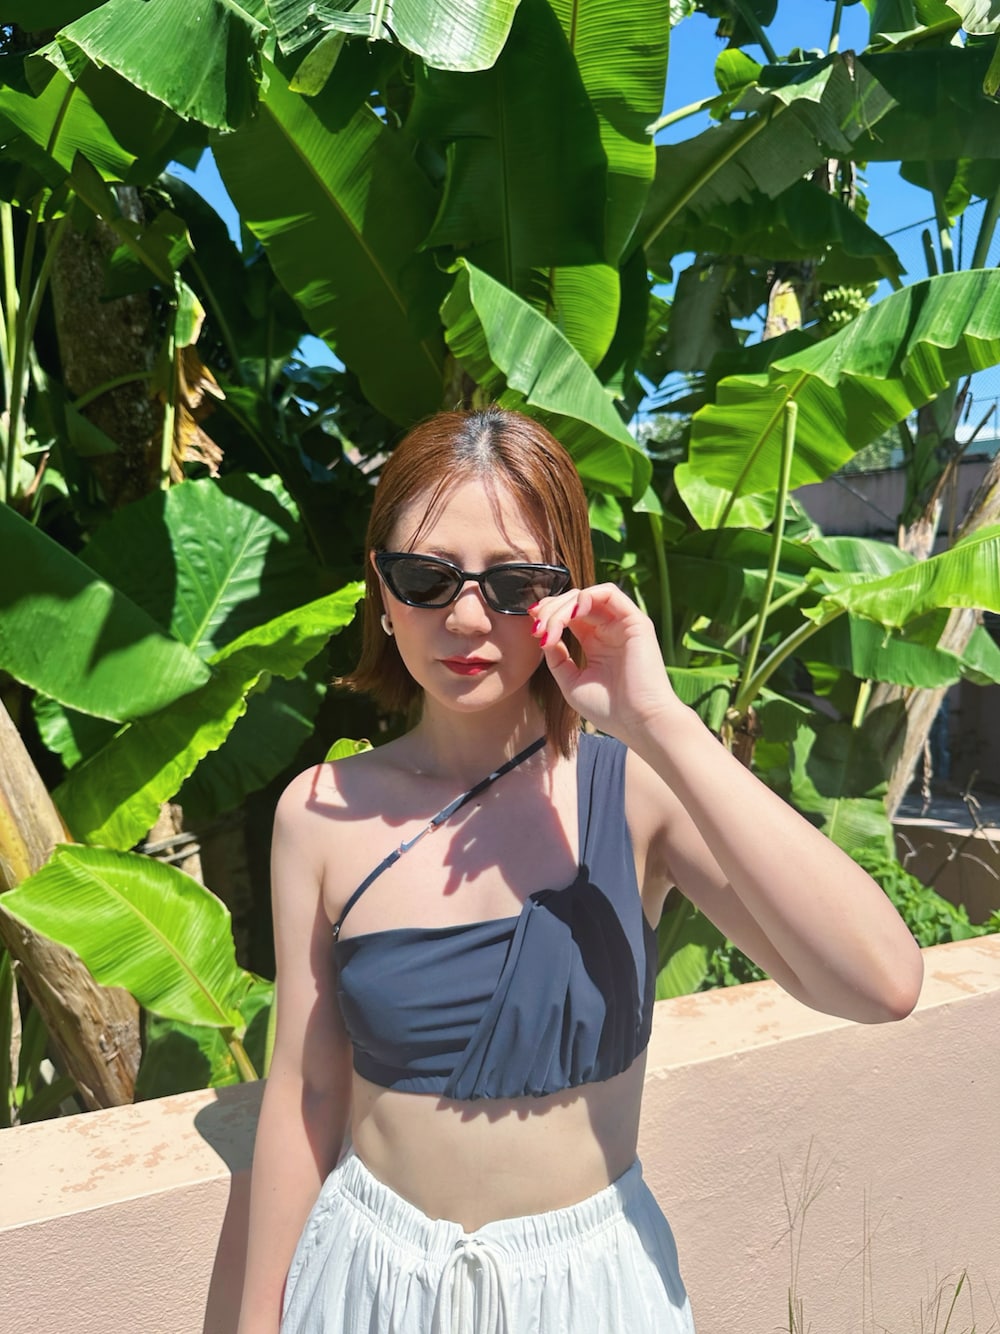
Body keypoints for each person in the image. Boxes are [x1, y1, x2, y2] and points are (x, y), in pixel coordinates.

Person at [236, 406, 924, 1334]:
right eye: (426, 578)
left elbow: (881, 983)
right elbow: (305, 1091)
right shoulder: (319, 813)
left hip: (587, 1291)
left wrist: (658, 719)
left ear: (565, 591)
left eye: (513, 582)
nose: (466, 617)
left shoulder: (635, 793)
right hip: (370, 1282)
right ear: (382, 591)